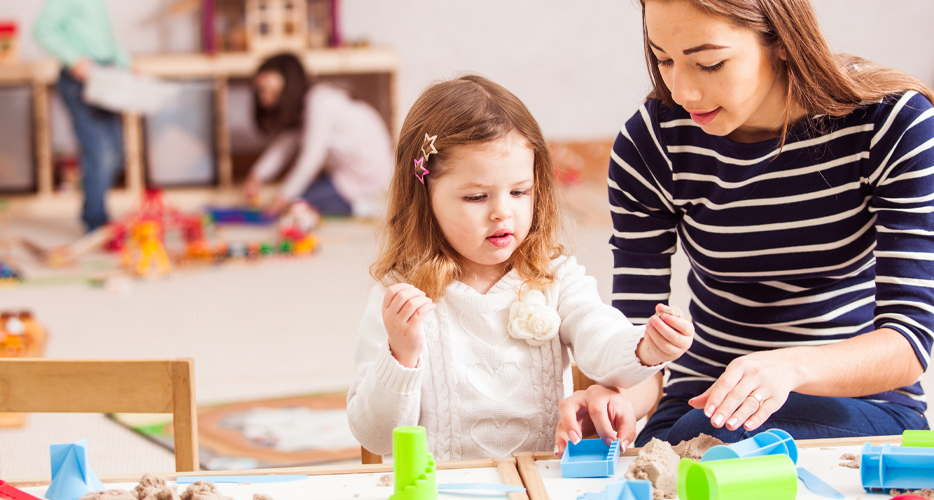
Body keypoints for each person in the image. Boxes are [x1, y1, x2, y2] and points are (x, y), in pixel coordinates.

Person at [556, 0, 934, 452]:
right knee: (687, 445)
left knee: (716, 442)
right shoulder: (652, 144)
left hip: (861, 403)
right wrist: (616, 398)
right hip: (701, 404)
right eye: (663, 60)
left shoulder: (890, 125)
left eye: (709, 64)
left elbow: (909, 342)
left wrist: (786, 368)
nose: (683, 92)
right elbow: (639, 343)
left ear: (782, 41)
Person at [346, 74, 695, 460]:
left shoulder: (554, 277)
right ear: (424, 197)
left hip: (540, 484)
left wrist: (645, 347)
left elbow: (600, 340)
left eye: (519, 192)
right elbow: (375, 437)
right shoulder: (398, 296)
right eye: (476, 196)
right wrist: (402, 353)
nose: (502, 212)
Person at [242, 53, 394, 218]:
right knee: (302, 194)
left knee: (298, 204)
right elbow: (285, 144)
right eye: (261, 92)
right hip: (346, 174)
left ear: (288, 88)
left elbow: (311, 159)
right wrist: (256, 176)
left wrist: (282, 198)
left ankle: (364, 206)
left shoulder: (320, 103)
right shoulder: (308, 104)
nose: (264, 100)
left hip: (367, 179)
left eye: (270, 91)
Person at [33, 0, 129, 232]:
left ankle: (93, 212)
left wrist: (127, 65)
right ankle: (95, 220)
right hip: (79, 79)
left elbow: (105, 40)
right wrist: (74, 59)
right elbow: (42, 30)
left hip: (105, 73)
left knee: (116, 153)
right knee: (99, 153)